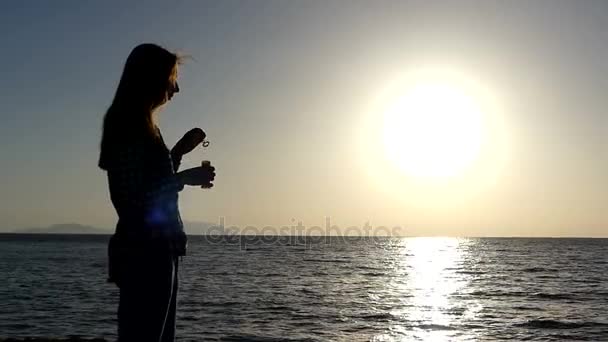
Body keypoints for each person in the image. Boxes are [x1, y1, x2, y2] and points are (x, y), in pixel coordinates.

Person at [98, 43, 216, 341]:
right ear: (151, 79)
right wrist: (184, 178)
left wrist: (177, 152)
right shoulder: (126, 124)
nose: (175, 88)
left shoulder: (145, 125)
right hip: (145, 250)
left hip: (159, 248)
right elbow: (133, 197)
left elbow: (150, 179)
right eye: (172, 78)